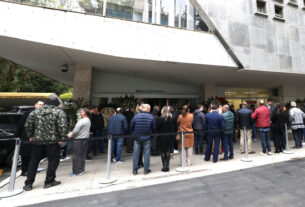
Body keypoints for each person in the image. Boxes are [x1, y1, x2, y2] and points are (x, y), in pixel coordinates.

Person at [23, 97, 67, 191]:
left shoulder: (35, 112)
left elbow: (27, 125)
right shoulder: (59, 112)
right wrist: (62, 139)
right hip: (53, 141)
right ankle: (49, 181)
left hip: (37, 141)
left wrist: (30, 136)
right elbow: (62, 126)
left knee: (34, 162)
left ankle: (28, 184)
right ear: (55, 104)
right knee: (53, 161)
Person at [18, 101, 44, 176]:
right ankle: (24, 170)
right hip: (27, 137)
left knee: (34, 154)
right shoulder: (29, 113)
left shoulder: (42, 113)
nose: (41, 106)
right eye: (40, 104)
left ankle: (31, 169)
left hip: (37, 137)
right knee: (26, 155)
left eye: (42, 105)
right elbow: (21, 125)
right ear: (35, 105)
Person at [131, 104, 156, 175]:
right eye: (150, 109)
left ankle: (135, 170)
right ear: (147, 109)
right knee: (147, 153)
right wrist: (151, 134)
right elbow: (154, 128)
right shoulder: (151, 116)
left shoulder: (136, 116)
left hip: (137, 137)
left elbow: (131, 126)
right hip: (147, 137)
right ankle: (146, 169)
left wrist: (133, 134)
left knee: (136, 153)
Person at [68, 108, 91, 176]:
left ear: (84, 113)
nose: (80, 113)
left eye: (81, 112)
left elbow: (76, 131)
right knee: (82, 155)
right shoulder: (88, 120)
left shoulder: (81, 121)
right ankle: (81, 169)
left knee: (76, 156)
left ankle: (76, 171)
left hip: (79, 140)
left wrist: (71, 134)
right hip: (85, 139)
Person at [157, 106, 177, 172]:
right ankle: (167, 166)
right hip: (169, 137)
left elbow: (157, 128)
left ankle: (164, 166)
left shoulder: (160, 119)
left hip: (162, 137)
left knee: (163, 151)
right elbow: (175, 128)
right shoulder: (172, 119)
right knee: (168, 151)